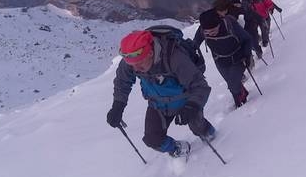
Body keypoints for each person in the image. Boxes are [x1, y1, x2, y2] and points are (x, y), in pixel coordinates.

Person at [106, 29, 215, 159]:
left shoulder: (175, 58)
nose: (135, 69)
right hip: (157, 104)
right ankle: (177, 149)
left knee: (198, 127)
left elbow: (200, 86)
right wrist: (118, 105)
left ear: (150, 53)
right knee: (152, 139)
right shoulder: (132, 59)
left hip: (185, 101)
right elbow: (122, 82)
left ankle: (210, 134)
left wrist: (192, 106)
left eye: (139, 64)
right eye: (133, 65)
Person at [193, 9, 253, 108]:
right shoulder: (202, 29)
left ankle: (240, 104)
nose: (210, 33)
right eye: (207, 32)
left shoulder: (230, 25)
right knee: (230, 82)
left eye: (213, 30)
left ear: (219, 24)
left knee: (233, 84)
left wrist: (247, 55)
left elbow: (247, 39)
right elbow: (195, 43)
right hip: (220, 60)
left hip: (238, 58)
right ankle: (241, 95)